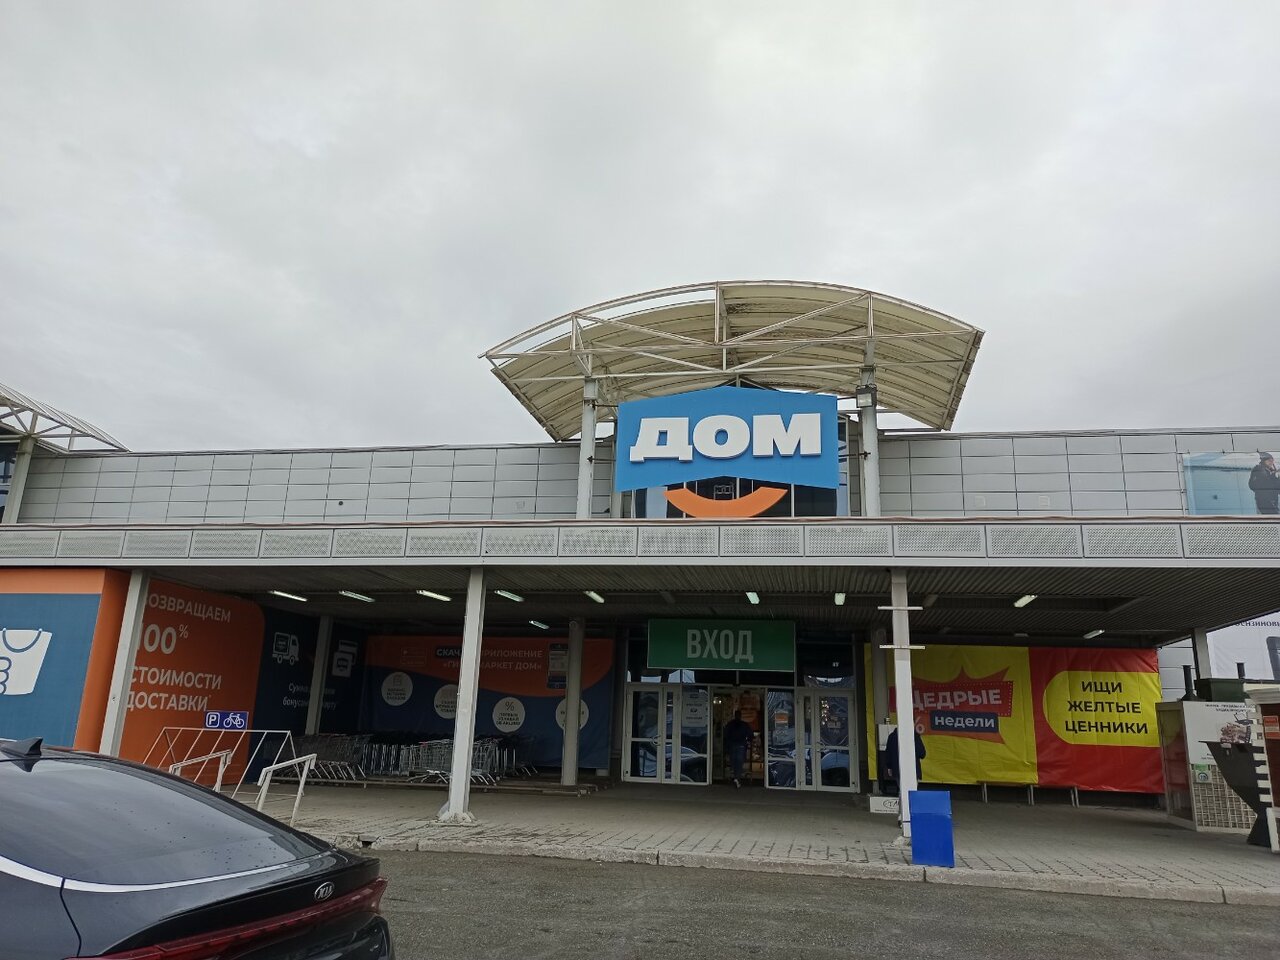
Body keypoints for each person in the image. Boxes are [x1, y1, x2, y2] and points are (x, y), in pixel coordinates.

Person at [881, 725, 926, 797]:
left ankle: (902, 802)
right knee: (912, 793)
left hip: (898, 768)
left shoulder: (892, 737)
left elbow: (888, 754)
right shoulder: (915, 736)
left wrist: (889, 767)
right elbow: (922, 753)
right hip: (913, 769)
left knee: (902, 791)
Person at [723, 709, 754, 788]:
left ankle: (735, 776)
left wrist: (727, 744)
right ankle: (737, 778)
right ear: (740, 716)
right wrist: (747, 741)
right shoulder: (744, 725)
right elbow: (750, 735)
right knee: (739, 763)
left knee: (733, 762)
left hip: (732, 745)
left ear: (734, 715)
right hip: (741, 746)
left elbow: (725, 735)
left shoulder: (730, 724)